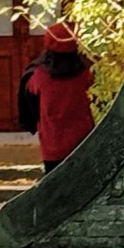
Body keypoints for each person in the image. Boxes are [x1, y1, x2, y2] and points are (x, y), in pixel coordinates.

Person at [22, 17, 96, 171]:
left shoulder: (38, 76)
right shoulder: (87, 73)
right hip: (85, 142)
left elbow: (29, 104)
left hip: (53, 145)